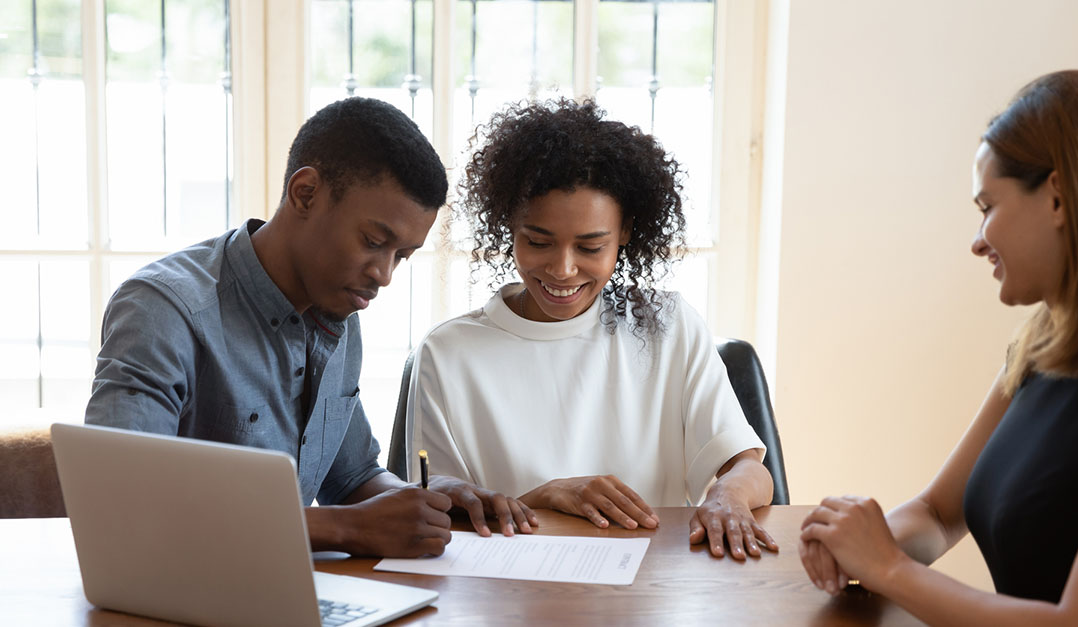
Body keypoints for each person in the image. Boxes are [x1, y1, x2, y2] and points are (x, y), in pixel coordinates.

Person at [799, 70, 1078, 625]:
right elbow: (938, 514)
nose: (978, 239)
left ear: (1058, 197)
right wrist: (857, 544)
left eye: (988, 205)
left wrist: (888, 566)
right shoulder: (1040, 350)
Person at [85, 97, 523, 558]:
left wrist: (424, 503)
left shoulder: (339, 311)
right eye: (374, 242)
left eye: (402, 256)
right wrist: (344, 528)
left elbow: (352, 479)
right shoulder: (163, 309)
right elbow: (121, 502)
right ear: (306, 193)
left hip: (285, 592)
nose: (385, 274)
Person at [406, 98, 779, 559]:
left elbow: (749, 467)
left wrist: (728, 495)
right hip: (508, 591)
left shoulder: (667, 327)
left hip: (646, 587)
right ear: (510, 227)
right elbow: (435, 507)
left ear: (624, 233)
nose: (563, 269)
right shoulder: (448, 353)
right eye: (537, 241)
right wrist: (541, 497)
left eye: (590, 246)